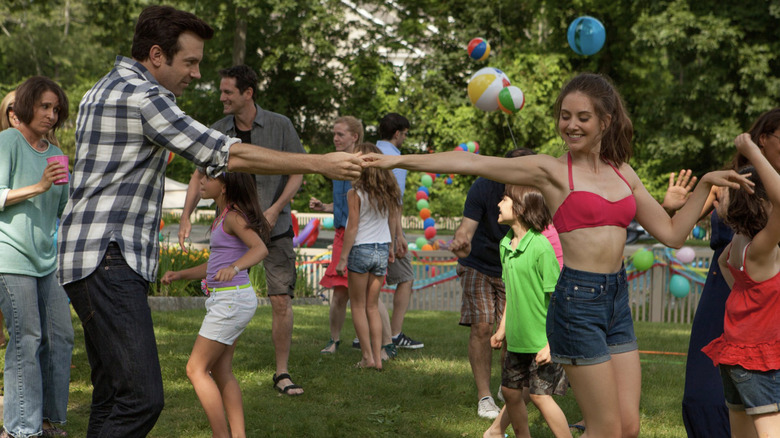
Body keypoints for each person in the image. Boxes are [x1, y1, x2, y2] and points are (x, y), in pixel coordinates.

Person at [363, 72, 753, 437]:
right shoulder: (550, 171)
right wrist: (396, 160)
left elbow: (672, 232)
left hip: (617, 301)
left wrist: (704, 186)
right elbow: (471, 162)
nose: (572, 125)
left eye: (583, 117)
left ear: (606, 120)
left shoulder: (624, 172)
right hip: (578, 303)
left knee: (628, 427)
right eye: (565, 116)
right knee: (605, 428)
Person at [57, 6, 361, 437]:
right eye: (191, 61)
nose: (197, 74)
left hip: (85, 259)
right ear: (157, 55)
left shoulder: (101, 88)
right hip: (108, 258)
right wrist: (320, 163)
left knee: (112, 393)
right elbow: (227, 154)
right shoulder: (144, 96)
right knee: (142, 398)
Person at [178, 65, 305, 396]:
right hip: (233, 232)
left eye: (227, 92)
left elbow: (299, 171)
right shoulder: (218, 130)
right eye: (221, 91)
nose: (221, 97)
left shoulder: (280, 125)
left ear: (248, 93)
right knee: (225, 295)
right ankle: (222, 366)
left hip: (275, 228)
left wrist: (275, 208)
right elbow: (198, 176)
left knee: (280, 299)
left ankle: (282, 372)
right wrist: (186, 215)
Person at [683, 108, 780, 437]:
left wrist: (745, 288)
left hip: (737, 339)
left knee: (741, 424)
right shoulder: (762, 246)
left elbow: (726, 260)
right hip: (756, 343)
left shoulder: (739, 244)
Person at [451, 148, 564, 420]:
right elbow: (466, 228)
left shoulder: (533, 192)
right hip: (479, 263)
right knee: (482, 326)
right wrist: (461, 240)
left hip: (515, 268)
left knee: (510, 333)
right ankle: (484, 396)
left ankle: (509, 389)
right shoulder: (484, 186)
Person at [162, 171, 269, 438]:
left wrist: (234, 267)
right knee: (221, 370)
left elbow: (260, 249)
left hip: (231, 300)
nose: (200, 183)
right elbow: (215, 265)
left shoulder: (233, 216)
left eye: (207, 178)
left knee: (195, 369)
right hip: (230, 298)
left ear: (224, 186)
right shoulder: (222, 217)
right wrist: (181, 274)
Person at [0, 76, 74, 438]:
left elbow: (62, 211)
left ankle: (49, 418)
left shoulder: (58, 155)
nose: (51, 114)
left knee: (60, 335)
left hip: (48, 260)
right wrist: (40, 185)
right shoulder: (8, 141)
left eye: (56, 109)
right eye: (45, 106)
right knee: (26, 338)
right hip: (11, 256)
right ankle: (21, 428)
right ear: (26, 106)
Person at [486, 184, 570, 438]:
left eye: (504, 200)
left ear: (520, 208)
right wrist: (502, 329)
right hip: (517, 341)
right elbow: (511, 293)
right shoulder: (505, 245)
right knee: (511, 392)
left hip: (541, 342)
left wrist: (551, 344)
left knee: (538, 395)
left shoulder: (541, 247)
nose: (498, 205)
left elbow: (559, 299)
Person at [312, 117, 395, 359]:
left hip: (358, 240)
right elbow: (348, 207)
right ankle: (336, 340)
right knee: (341, 293)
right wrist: (324, 207)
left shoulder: (368, 168)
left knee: (367, 299)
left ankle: (383, 347)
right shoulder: (336, 167)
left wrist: (395, 237)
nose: (335, 138)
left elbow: (361, 215)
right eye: (334, 134)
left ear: (354, 138)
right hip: (351, 237)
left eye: (340, 134)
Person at [335, 142, 401, 370]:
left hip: (361, 251)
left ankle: (367, 357)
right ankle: (378, 356)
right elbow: (392, 221)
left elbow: (352, 227)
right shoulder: (388, 193)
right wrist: (391, 247)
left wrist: (343, 258)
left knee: (359, 306)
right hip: (381, 250)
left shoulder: (355, 193)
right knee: (373, 306)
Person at [375, 113, 423, 350]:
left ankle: (369, 333)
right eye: (405, 134)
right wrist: (399, 236)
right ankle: (394, 334)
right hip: (386, 228)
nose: (404, 138)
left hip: (364, 227)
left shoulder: (368, 151)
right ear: (397, 134)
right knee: (406, 277)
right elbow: (395, 200)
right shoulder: (396, 159)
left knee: (368, 282)